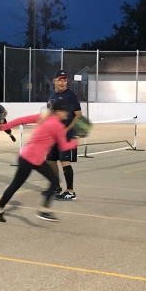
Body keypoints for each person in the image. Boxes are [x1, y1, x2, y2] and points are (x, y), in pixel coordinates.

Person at [0, 100, 76, 222]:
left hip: (30, 157)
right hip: (30, 159)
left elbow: (20, 120)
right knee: (51, 181)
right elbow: (63, 147)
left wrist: (3, 127)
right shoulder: (58, 126)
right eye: (66, 111)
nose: (67, 114)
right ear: (58, 111)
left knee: (20, 184)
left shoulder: (43, 117)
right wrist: (75, 142)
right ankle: (44, 211)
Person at [46, 70, 83, 200]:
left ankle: (70, 192)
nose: (63, 82)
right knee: (51, 160)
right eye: (60, 80)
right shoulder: (50, 95)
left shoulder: (70, 96)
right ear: (54, 81)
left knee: (65, 161)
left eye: (65, 80)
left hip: (66, 136)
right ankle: (56, 186)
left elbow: (78, 116)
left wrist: (67, 130)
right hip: (53, 135)